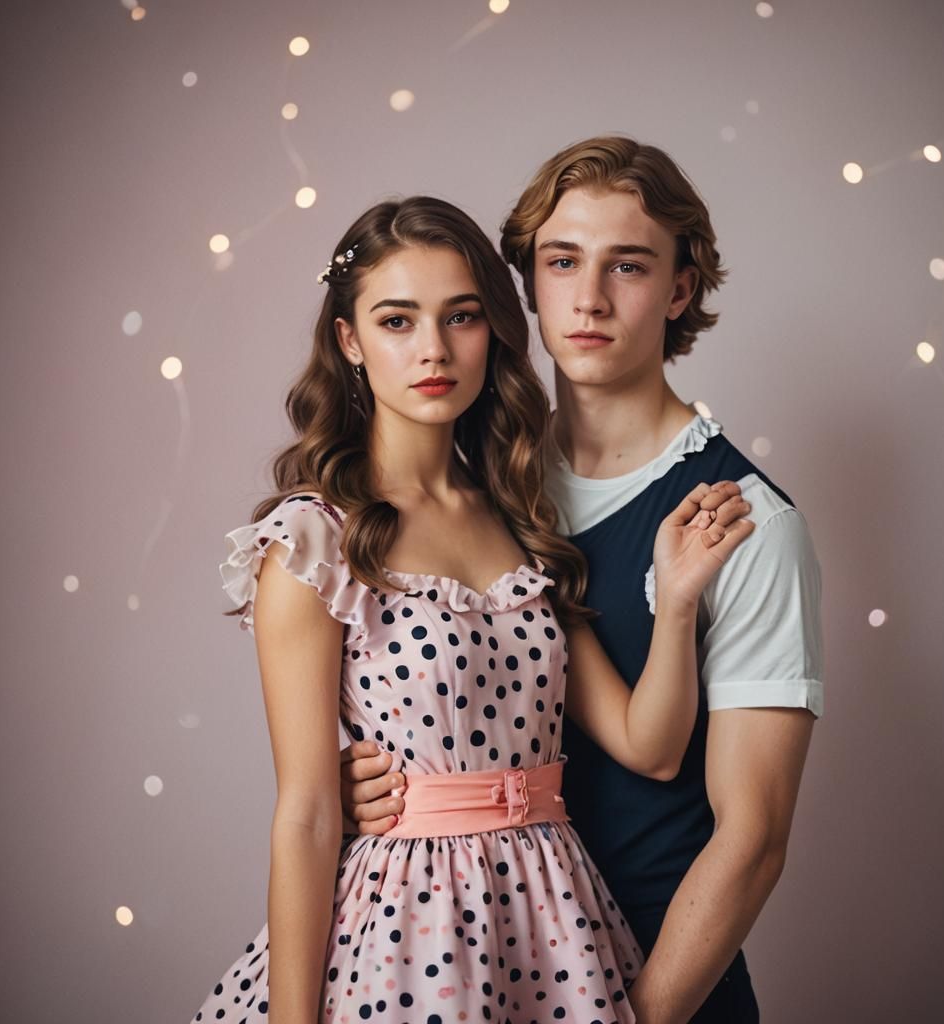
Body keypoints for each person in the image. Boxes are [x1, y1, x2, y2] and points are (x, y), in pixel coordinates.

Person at [189, 195, 754, 1024]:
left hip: (550, 928)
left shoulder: (521, 518)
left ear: (493, 329)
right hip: (400, 937)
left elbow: (653, 746)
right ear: (350, 339)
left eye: (461, 317)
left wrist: (674, 603)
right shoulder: (313, 543)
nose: (433, 350)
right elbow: (308, 813)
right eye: (396, 320)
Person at [342, 138, 824, 1023]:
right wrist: (371, 784)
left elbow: (752, 841)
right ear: (524, 281)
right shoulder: (475, 486)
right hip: (473, 968)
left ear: (680, 289)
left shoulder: (745, 523)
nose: (589, 298)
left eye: (628, 266)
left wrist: (630, 1014)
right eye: (563, 261)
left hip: (653, 983)